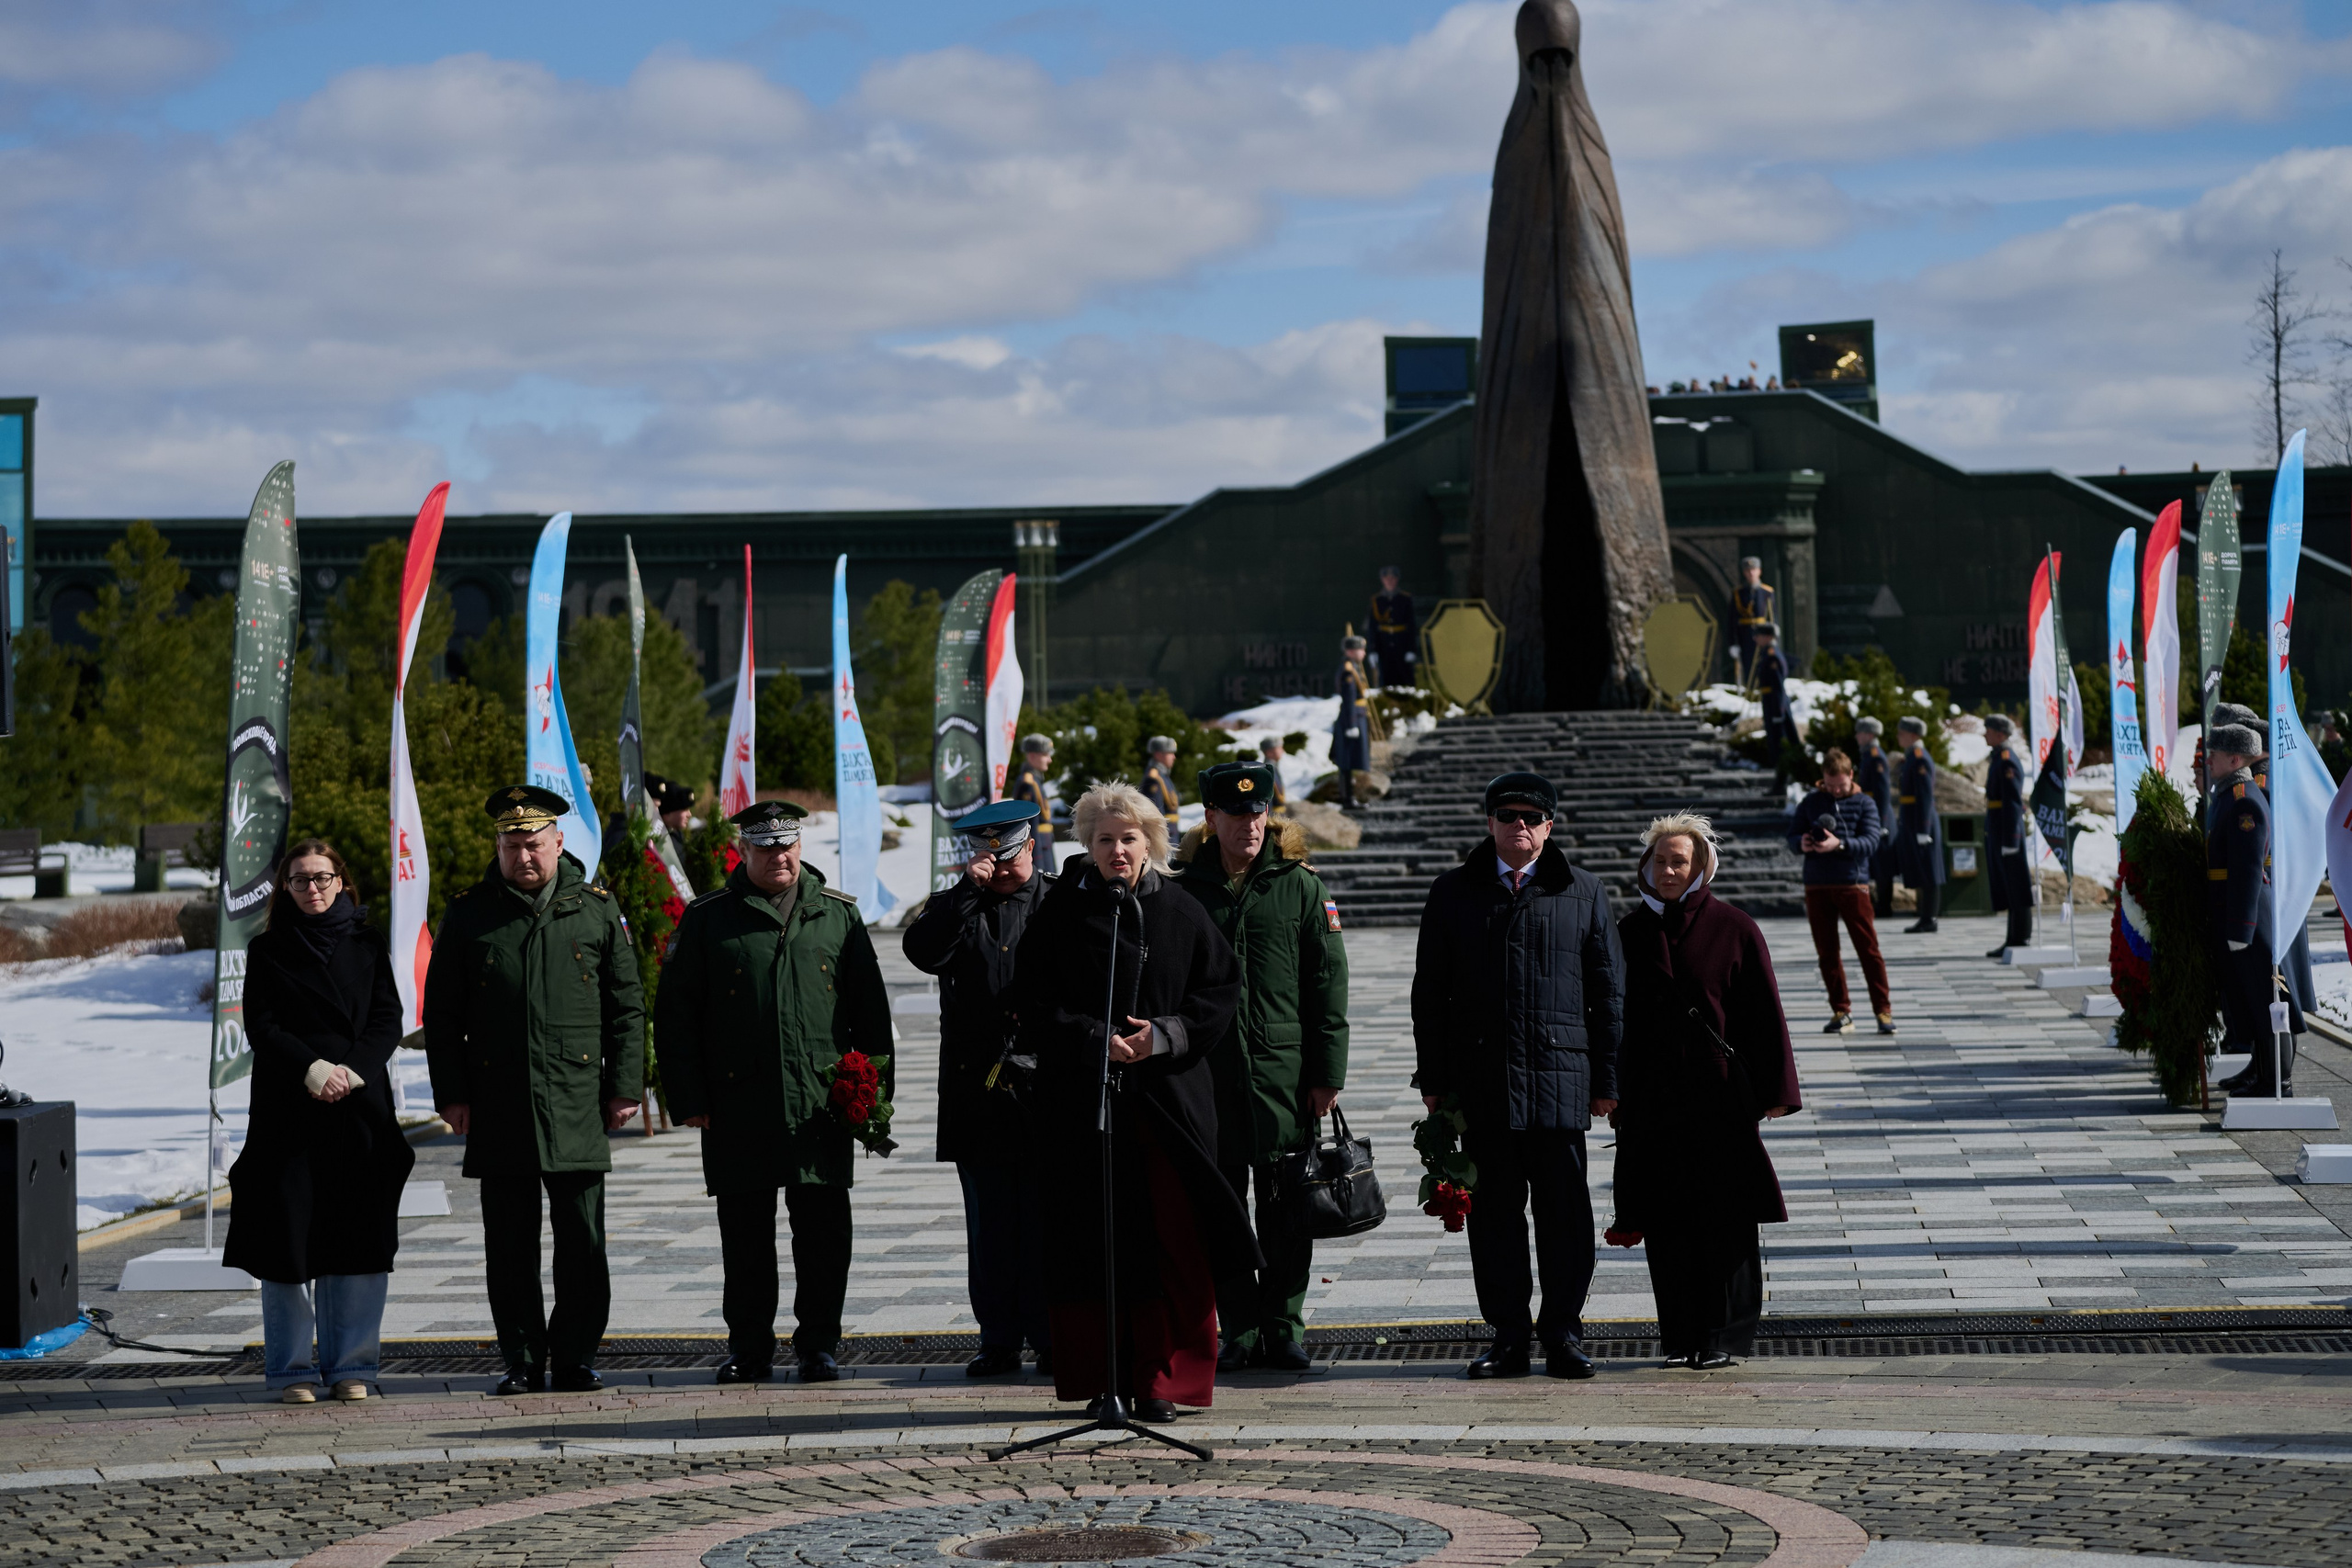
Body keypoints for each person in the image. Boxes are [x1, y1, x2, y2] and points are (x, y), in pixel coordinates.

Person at [1012, 781, 1256, 1422]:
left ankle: (1163, 1379)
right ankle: (1107, 1377)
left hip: (1170, 1105)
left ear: (1151, 841)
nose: (1118, 850)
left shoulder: (1181, 909)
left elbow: (1219, 992)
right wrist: (1096, 1040)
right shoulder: (1061, 912)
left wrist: (1161, 1037)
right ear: (1086, 845)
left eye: (1129, 838)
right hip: (1085, 1105)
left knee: (1171, 1242)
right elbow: (1034, 1002)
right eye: (1104, 839)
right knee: (1097, 1244)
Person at [658, 800, 892, 1384]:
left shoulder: (838, 916)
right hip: (739, 1105)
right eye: (764, 847)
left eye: (786, 845)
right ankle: (749, 1347)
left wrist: (873, 1097)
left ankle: (819, 1345)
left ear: (801, 847)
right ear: (744, 850)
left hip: (821, 1105)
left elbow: (871, 1015)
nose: (778, 856)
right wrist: (689, 1098)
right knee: (745, 1239)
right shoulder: (709, 917)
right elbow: (677, 1015)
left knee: (823, 1236)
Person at [424, 785, 644, 1395]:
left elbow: (627, 1006)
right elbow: (442, 1013)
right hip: (499, 1102)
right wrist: (452, 1094)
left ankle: (574, 1356)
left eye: (535, 844)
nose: (525, 855)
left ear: (559, 843)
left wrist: (624, 1086)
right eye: (513, 844)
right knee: (510, 1244)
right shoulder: (469, 913)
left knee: (582, 1240)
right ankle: (521, 1357)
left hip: (576, 1100)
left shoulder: (596, 907)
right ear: (497, 846)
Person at [1411, 771, 1622, 1382]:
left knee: (1565, 1217)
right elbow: (1431, 993)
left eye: (1532, 817)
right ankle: (1507, 1335)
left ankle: (1563, 1332)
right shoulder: (1453, 891)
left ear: (1550, 827)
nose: (1520, 826)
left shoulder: (1582, 892)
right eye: (1508, 816)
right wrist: (1435, 1077)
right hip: (1483, 1085)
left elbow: (1609, 992)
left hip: (1559, 1082)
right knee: (1495, 1217)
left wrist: (1607, 1077)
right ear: (1489, 823)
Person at [1172, 761, 1349, 1373]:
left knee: (1286, 1212)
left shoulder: (1301, 888)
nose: (1249, 824)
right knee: (1222, 1211)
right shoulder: (1185, 891)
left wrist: (1328, 1073)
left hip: (1286, 1078)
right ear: (1210, 817)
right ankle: (1239, 1330)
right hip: (1207, 1080)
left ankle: (1284, 1327)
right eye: (1235, 813)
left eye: (1258, 811)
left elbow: (1329, 987)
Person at [1609, 815, 1801, 1369]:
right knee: (1665, 1219)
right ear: (1645, 867)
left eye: (1679, 861)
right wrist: (1609, 1087)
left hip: (1718, 1096)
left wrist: (1776, 1089)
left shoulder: (1735, 927)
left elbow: (1765, 1014)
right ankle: (1678, 1335)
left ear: (1701, 867)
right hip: (1651, 1099)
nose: (1669, 871)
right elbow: (1611, 1019)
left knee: (1726, 1216)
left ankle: (1723, 1334)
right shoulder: (1627, 933)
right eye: (1659, 861)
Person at [227, 840, 414, 1404]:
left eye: (323, 878)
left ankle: (352, 1365)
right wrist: (312, 1070)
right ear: (286, 889)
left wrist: (352, 1072)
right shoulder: (267, 949)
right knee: (288, 1242)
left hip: (359, 1110)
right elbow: (261, 1026)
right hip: (290, 1112)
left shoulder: (366, 940)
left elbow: (388, 1017)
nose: (313, 888)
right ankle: (290, 1370)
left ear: (342, 882)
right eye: (301, 880)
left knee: (357, 1237)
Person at [900, 799, 1054, 1378]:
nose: (1003, 867)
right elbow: (923, 952)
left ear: (1031, 847)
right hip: (978, 1093)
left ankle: (1050, 1336)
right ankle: (998, 1339)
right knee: (990, 1224)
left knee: (1044, 1223)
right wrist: (966, 894)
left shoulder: (1058, 900)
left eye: (1011, 855)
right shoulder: (954, 906)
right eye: (991, 855)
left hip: (1044, 1092)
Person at [2203, 725, 2303, 1097]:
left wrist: (2241, 929)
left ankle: (2278, 1080)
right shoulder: (2230, 794)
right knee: (2252, 1000)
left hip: (2248, 916)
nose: (2208, 759)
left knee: (2267, 1002)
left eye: (2215, 753)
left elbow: (2247, 869)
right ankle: (2261, 1072)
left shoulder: (2243, 798)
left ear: (2235, 759)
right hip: (2233, 911)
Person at [1787, 750, 1892, 1035]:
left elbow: (1871, 841)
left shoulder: (1864, 803)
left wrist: (1840, 845)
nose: (1835, 790)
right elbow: (1792, 836)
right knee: (1827, 952)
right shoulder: (1811, 802)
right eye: (1830, 785)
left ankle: (1883, 1011)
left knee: (1868, 949)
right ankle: (1841, 1011)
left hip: (1852, 885)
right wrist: (1803, 843)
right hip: (1817, 885)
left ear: (1851, 777)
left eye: (1840, 785)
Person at [1984, 715, 2034, 956]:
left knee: (2017, 884)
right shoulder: (1998, 757)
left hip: (2007, 831)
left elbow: (2013, 802)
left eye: (1989, 730)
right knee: (2010, 885)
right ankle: (2013, 937)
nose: (1985, 734)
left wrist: (2012, 838)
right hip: (2000, 828)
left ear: (2000, 734)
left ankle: (2021, 937)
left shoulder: (2006, 760)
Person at [1893, 716, 1945, 934]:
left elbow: (1924, 795)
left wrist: (1924, 829)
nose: (1898, 736)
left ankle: (1930, 917)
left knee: (1929, 871)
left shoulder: (1919, 758)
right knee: (1922, 870)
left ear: (1913, 735)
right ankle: (1925, 916)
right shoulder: (1911, 758)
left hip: (1921, 822)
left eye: (1902, 733)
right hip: (1913, 820)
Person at [1853, 718, 1894, 917]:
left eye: (1860, 733)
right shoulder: (1868, 755)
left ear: (1869, 735)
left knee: (1883, 866)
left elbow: (1883, 793)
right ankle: (1880, 904)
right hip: (1872, 816)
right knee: (1877, 864)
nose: (1857, 736)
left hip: (1879, 818)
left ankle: (1885, 905)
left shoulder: (1876, 757)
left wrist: (1882, 822)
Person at [1332, 636, 1374, 810]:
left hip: (1357, 716)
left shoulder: (1354, 667)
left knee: (1350, 760)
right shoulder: (1349, 670)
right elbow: (1349, 699)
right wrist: (1351, 725)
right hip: (1352, 719)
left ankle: (1349, 797)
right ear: (1350, 651)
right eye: (1360, 649)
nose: (1363, 653)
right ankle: (1347, 798)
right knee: (1347, 760)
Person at [1753, 626, 1797, 779]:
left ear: (1768, 636)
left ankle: (1782, 783)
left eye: (1758, 635)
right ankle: (1780, 782)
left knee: (1779, 745)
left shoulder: (1772, 655)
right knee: (1775, 744)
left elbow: (1777, 685)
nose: (1755, 639)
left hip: (1774, 704)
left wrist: (1778, 712)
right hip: (1771, 702)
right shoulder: (1767, 653)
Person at [1368, 566, 1418, 687]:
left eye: (1392, 578)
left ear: (1397, 580)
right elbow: (1372, 627)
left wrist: (1412, 649)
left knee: (1405, 679)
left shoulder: (1405, 599)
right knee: (1385, 680)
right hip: (1383, 645)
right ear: (1382, 580)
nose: (1390, 581)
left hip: (1402, 644)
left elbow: (1411, 625)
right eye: (1387, 578)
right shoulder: (1377, 600)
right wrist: (1372, 650)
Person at [1011, 736, 1058, 861]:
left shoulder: (1035, 780)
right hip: (1038, 849)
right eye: (1045, 755)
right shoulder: (1028, 783)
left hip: (1044, 844)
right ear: (1032, 756)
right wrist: (1034, 857)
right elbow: (1029, 824)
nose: (1049, 760)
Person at [1729, 558, 1775, 684]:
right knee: (1748, 666)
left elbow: (1772, 617)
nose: (1751, 573)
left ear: (1759, 571)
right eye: (1748, 570)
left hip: (1763, 635)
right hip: (1745, 635)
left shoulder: (1767, 592)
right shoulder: (1738, 593)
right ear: (1744, 573)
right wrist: (1733, 642)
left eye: (1753, 570)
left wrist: (1773, 637)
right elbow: (1732, 620)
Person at [1141, 738, 1182, 836]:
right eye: (1170, 753)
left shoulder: (1164, 776)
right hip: (1163, 838)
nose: (1174, 757)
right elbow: (1155, 815)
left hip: (1171, 834)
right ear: (1158, 755)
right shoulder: (1153, 778)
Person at [1258, 736, 1291, 815]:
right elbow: (1267, 801)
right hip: (1273, 818)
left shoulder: (1273, 769)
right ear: (1269, 752)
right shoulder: (1267, 771)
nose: (1282, 750)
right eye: (1279, 748)